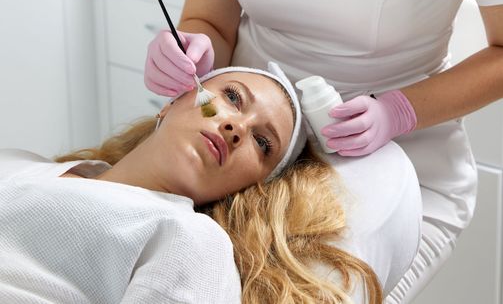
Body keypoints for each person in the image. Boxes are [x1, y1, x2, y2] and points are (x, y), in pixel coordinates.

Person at [143, 0, 503, 302]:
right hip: (244, 159)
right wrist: (195, 51)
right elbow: (209, 19)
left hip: (390, 165)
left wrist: (399, 111)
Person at [0, 64, 422, 303]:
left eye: (262, 143)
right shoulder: (18, 163)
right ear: (173, 101)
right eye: (233, 97)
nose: (236, 126)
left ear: (247, 186)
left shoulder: (190, 243)